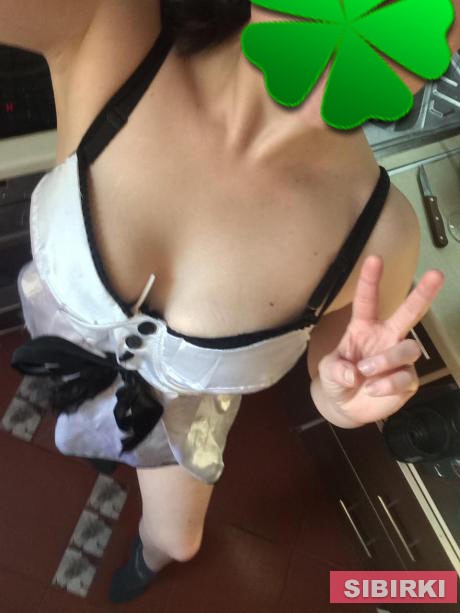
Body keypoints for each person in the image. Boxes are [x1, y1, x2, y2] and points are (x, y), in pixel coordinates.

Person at [3, 0, 459, 604]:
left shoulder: (379, 234)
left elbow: (332, 387)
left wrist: (348, 399)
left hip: (177, 419)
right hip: (61, 343)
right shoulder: (113, 25)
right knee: (75, 419)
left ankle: (148, 554)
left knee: (178, 540)